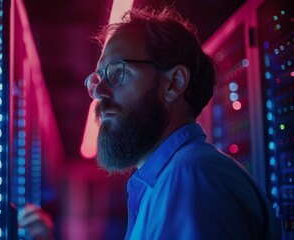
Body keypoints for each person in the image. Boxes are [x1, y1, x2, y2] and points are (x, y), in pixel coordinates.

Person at [21, 6, 280, 239]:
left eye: (118, 73)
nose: (99, 92)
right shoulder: (170, 177)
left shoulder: (189, 177)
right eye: (98, 78)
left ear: (174, 83)